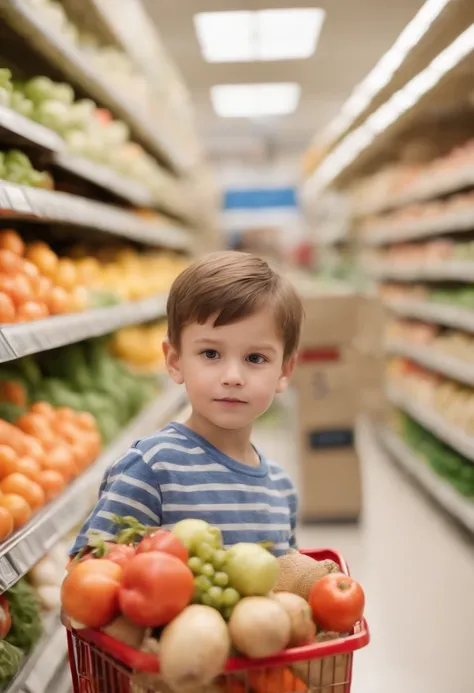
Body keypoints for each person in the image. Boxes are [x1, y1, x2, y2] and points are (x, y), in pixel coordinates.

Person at [70, 251, 304, 557]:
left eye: (255, 358)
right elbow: (88, 577)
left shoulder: (281, 489)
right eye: (210, 354)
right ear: (175, 361)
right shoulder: (151, 468)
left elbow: (290, 588)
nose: (233, 377)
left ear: (285, 371)